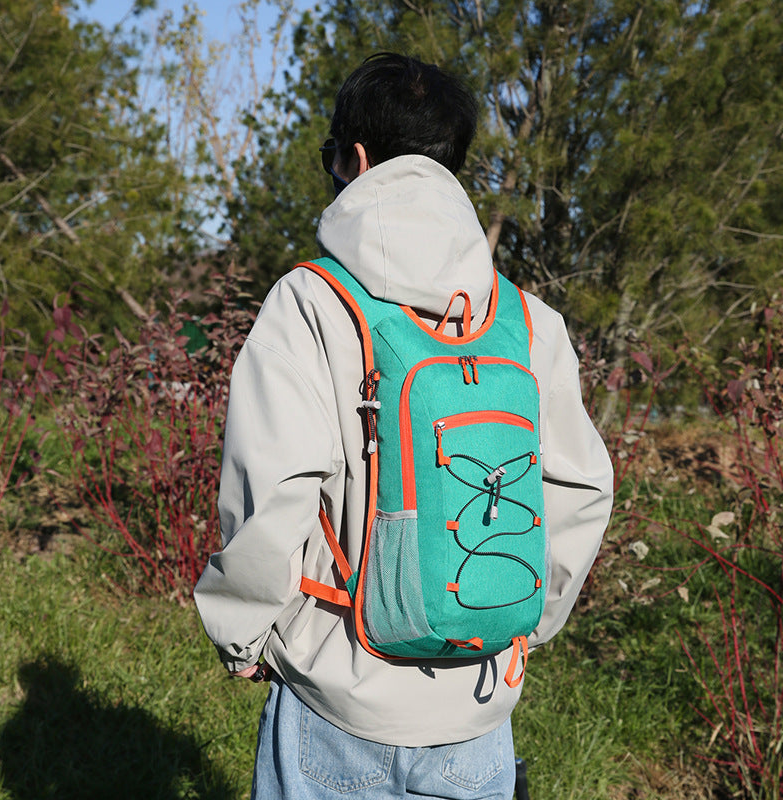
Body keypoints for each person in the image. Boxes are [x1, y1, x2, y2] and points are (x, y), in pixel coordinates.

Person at [194, 52, 613, 800]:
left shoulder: (310, 303)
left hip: (335, 697)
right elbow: (582, 491)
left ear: (354, 160)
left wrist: (244, 634)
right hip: (480, 704)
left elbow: (276, 488)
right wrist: (522, 617)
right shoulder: (527, 321)